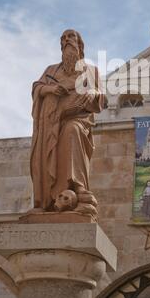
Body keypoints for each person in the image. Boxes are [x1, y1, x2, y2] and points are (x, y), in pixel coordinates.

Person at [30, 29, 105, 217]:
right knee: (45, 150)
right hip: (52, 122)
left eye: (70, 37)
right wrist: (51, 89)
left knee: (72, 131)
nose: (66, 40)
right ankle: (47, 199)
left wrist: (92, 94)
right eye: (63, 38)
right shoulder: (51, 70)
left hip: (77, 119)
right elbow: (37, 87)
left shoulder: (91, 71)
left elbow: (102, 97)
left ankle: (77, 189)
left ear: (80, 45)